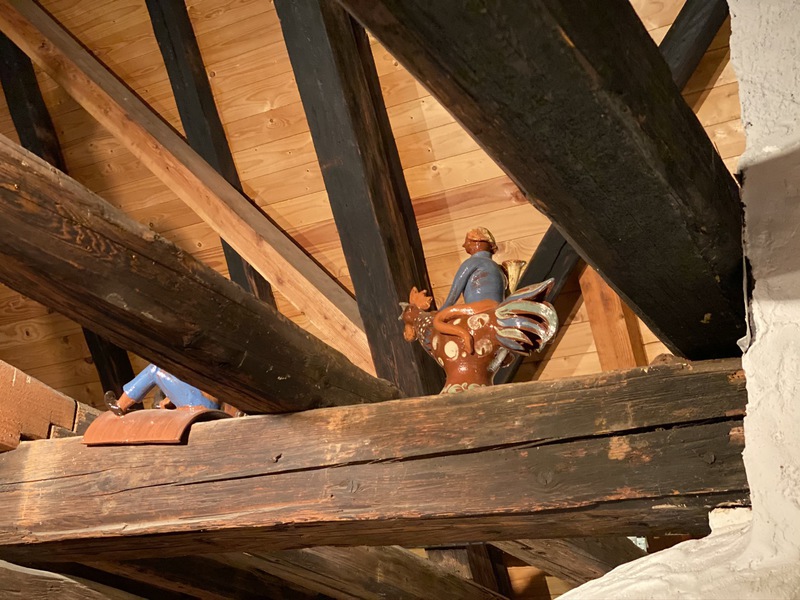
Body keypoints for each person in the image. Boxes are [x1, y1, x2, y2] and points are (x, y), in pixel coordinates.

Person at [440, 227, 507, 309]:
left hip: (478, 309)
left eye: (467, 242)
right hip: (498, 309)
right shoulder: (497, 267)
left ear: (477, 241)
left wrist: (443, 310)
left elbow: (455, 290)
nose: (464, 245)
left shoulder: (472, 262)